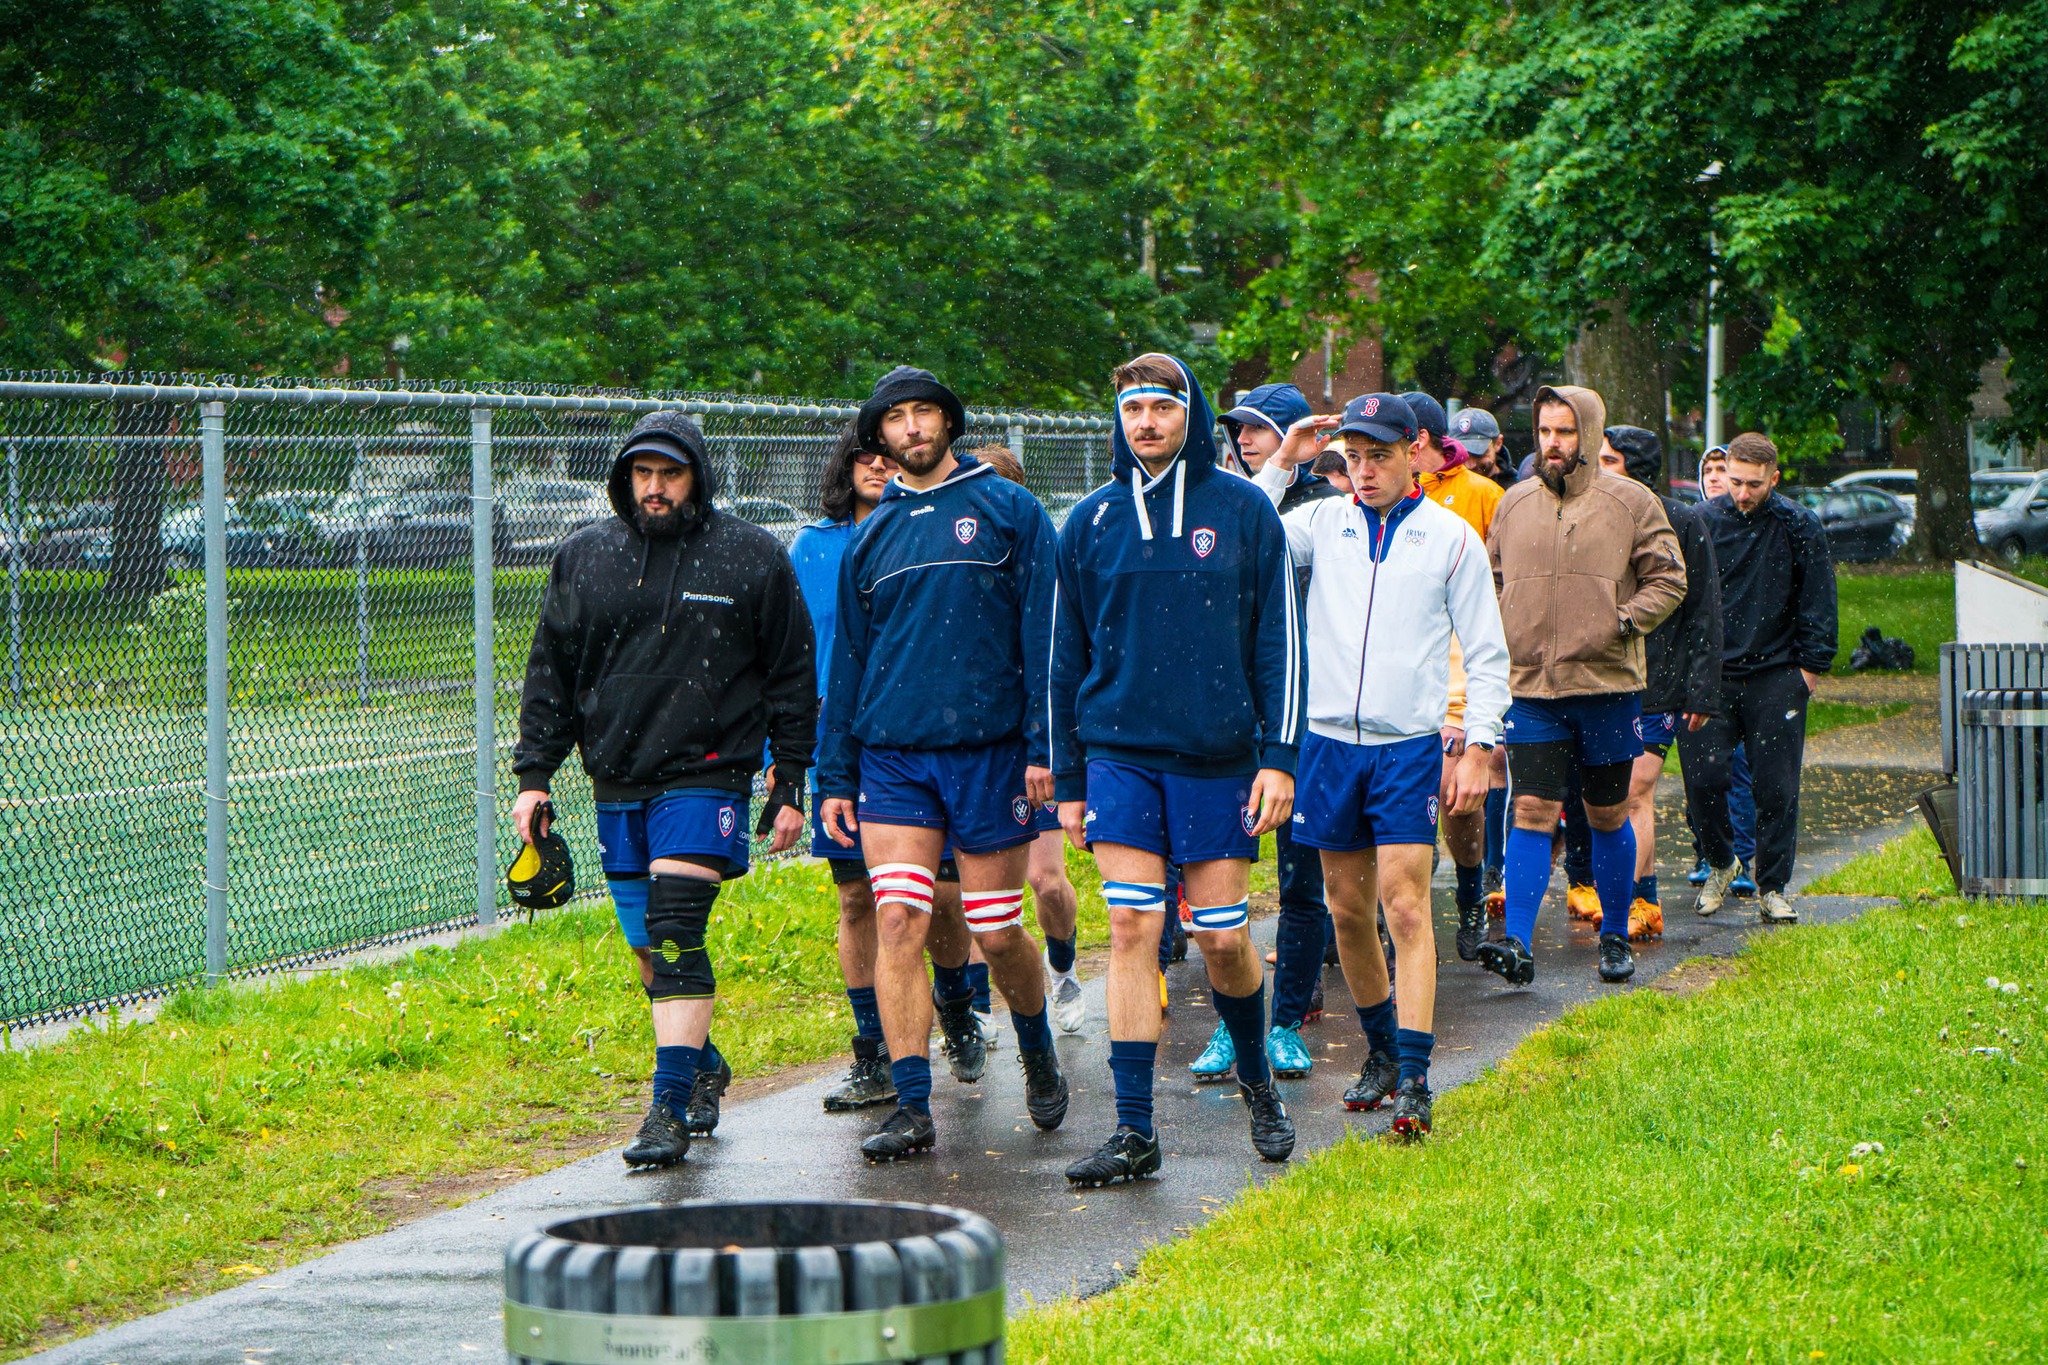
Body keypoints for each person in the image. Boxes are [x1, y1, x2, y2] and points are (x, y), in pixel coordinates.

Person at [512, 411, 816, 1168]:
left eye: (669, 474)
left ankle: (666, 1108)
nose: (654, 488)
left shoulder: (750, 556)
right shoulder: (584, 557)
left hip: (708, 771)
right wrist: (533, 777)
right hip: (615, 772)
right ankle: (702, 1063)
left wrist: (791, 778)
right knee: (649, 948)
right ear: (624, 479)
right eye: (642, 474)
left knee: (678, 926)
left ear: (697, 477)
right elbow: (549, 669)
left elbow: (791, 674)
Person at [1052, 353, 1303, 1185]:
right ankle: (1133, 1129)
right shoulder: (1087, 522)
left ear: (1189, 414)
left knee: (1221, 936)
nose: (1146, 422)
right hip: (1120, 755)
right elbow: (1065, 659)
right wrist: (1069, 780)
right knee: (1131, 927)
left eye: (1162, 406)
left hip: (1218, 758)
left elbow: (1280, 646)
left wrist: (1280, 759)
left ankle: (1259, 1082)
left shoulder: (1242, 512)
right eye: (1132, 409)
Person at [819, 366, 1068, 1163]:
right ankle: (913, 1103)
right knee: (899, 919)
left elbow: (1047, 639)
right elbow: (849, 665)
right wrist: (834, 774)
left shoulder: (1008, 509)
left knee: (996, 933)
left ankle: (1035, 1043)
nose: (912, 427)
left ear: (948, 424)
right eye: (896, 419)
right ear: (879, 438)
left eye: (925, 412)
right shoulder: (869, 537)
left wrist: (1044, 746)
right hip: (894, 761)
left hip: (992, 756)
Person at [1254, 392, 1510, 1140]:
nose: (1362, 472)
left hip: (1406, 746)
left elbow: (1489, 654)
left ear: (1415, 450)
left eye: (1378, 456)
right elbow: (1239, 528)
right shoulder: (1320, 522)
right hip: (1327, 743)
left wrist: (1479, 745)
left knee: (1404, 906)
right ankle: (1380, 1050)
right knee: (1346, 911)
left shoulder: (1452, 538)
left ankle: (1418, 1075)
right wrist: (1282, 462)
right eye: (1352, 458)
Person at [791, 424, 974, 1113]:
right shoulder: (815, 546)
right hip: (848, 745)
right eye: (863, 454)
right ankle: (874, 1050)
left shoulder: (930, 528)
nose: (878, 463)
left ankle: (956, 1002)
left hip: (931, 741)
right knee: (859, 899)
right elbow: (803, 648)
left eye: (889, 452)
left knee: (943, 899)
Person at [1482, 385, 1686, 989]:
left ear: (1590, 435)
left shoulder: (1632, 501)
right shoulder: (1514, 503)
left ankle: (1616, 933)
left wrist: (1621, 620)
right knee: (1532, 808)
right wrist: (1503, 627)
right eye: (1544, 431)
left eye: (1565, 432)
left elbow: (1668, 578)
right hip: (1531, 689)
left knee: (1605, 813)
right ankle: (1517, 944)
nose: (1552, 443)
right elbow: (1491, 581)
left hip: (1606, 686)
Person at [1216, 382, 1339, 1081]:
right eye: (1241, 429)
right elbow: (1239, 526)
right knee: (1218, 889)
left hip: (1307, 715)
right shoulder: (1227, 497)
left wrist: (1291, 467)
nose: (1248, 439)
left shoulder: (1325, 506)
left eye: (1263, 428)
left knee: (1302, 880)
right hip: (1235, 716)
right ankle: (1234, 1030)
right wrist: (1276, 468)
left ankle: (1287, 1021)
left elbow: (1257, 527)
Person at [1684, 432, 1837, 923]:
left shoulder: (1798, 525)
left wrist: (1810, 670)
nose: (1743, 493)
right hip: (1713, 674)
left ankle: (1773, 886)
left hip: (1777, 672)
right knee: (1703, 779)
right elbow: (1683, 599)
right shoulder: (1702, 521)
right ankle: (1722, 861)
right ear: (1724, 472)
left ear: (1774, 478)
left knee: (1777, 787)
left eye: (1754, 484)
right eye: (1735, 481)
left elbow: (1819, 597)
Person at [962, 443, 1086, 1034]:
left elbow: (1059, 656)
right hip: (976, 744)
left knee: (1045, 879)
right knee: (973, 889)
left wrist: (1053, 745)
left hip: (1032, 738)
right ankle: (980, 1000)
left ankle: (1062, 965)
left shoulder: (1041, 551)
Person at [1603, 426, 1723, 940]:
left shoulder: (1683, 519)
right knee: (1608, 796)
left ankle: (1639, 902)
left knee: (1636, 791)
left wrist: (1701, 688)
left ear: (1634, 465)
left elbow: (1703, 609)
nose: (1598, 465)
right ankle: (1638, 893)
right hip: (1599, 676)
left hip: (1660, 678)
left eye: (1608, 458)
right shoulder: (1588, 514)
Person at [1407, 391, 1505, 962]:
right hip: (1390, 697)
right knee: (1390, 826)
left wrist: (1478, 712)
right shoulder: (1358, 505)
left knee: (1458, 809)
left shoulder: (1479, 500)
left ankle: (1470, 892)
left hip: (1454, 683)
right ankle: (1393, 927)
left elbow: (1496, 605)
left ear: (1419, 442)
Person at [1686, 447, 1757, 892]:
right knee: (1703, 770)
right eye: (1709, 471)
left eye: (1721, 471)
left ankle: (1743, 858)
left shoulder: (1748, 528)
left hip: (1746, 662)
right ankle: (1712, 854)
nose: (1715, 478)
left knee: (1741, 768)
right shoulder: (1694, 523)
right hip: (1703, 665)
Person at [1452, 406, 1513, 488]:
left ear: (1498, 443)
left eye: (1478, 453)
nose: (1471, 465)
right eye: (1462, 456)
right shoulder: (1439, 487)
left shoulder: (1517, 491)